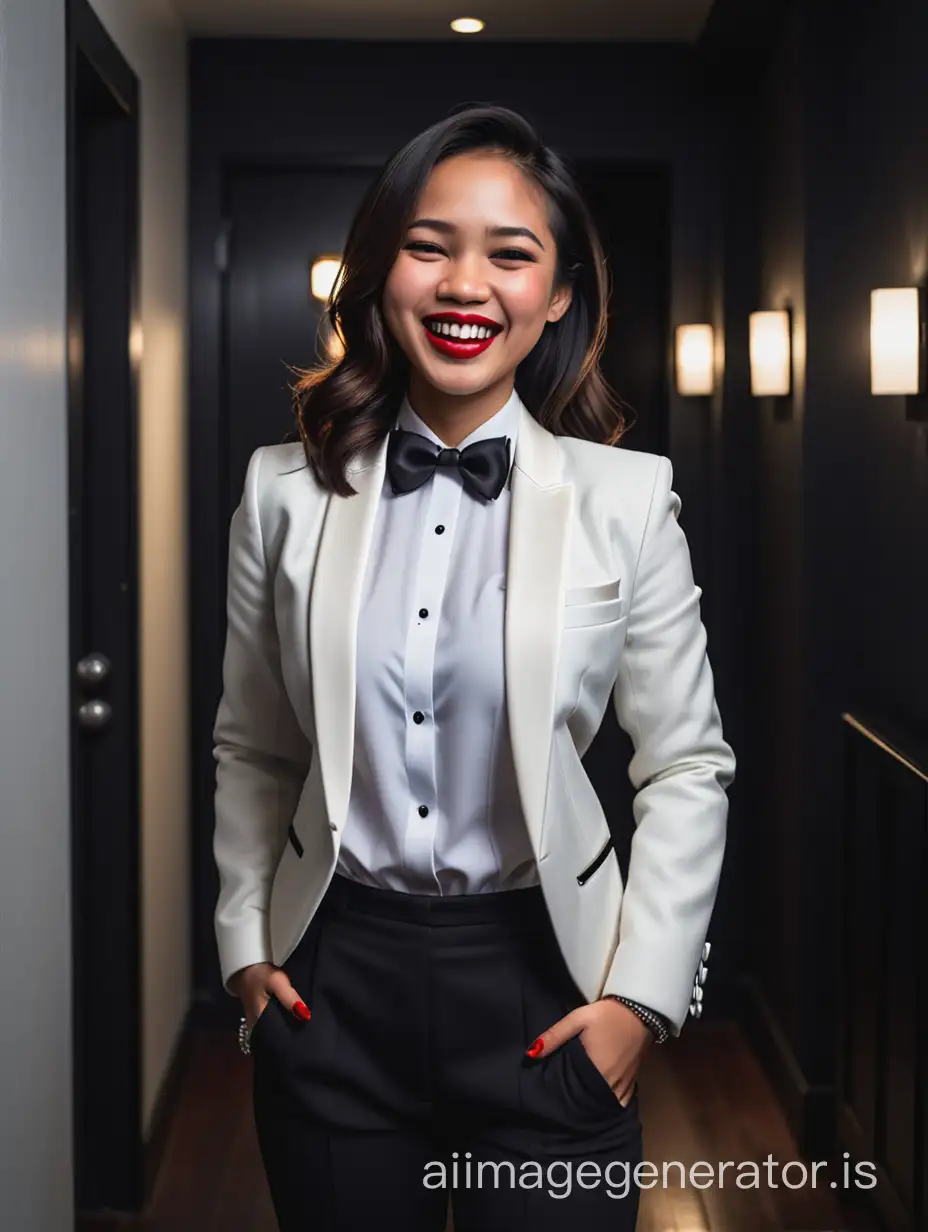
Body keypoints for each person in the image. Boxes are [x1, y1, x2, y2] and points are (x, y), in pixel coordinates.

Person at [211, 103, 736, 1232]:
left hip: (548, 982)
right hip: (334, 981)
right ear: (378, 270)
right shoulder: (279, 494)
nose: (465, 284)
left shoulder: (625, 500)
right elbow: (254, 742)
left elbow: (686, 761)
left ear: (555, 293)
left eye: (510, 253)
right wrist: (245, 946)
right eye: (428, 244)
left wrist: (638, 999)